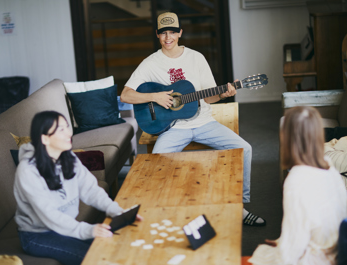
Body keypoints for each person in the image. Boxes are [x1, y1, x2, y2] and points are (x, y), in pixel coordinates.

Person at [120, 11, 265, 226]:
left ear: (180, 32)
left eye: (172, 32)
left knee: (245, 148)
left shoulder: (196, 58)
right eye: (163, 33)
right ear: (157, 35)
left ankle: (238, 206)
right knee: (157, 161)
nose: (168, 38)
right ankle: (168, 210)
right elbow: (125, 95)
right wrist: (155, 97)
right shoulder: (150, 63)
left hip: (204, 122)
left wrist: (224, 93)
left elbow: (209, 97)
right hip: (173, 128)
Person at [14, 111, 142, 265]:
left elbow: (91, 191)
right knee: (97, 259)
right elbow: (50, 215)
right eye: (61, 130)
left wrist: (118, 212)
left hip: (66, 226)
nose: (69, 133)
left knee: (117, 247)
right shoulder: (28, 171)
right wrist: (88, 230)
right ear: (44, 138)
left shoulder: (68, 157)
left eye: (67, 127)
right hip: (38, 235)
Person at [249, 106, 347, 265]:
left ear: (287, 138)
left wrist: (278, 248)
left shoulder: (296, 179)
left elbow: (293, 249)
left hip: (318, 258)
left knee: (260, 254)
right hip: (337, 248)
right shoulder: (327, 164)